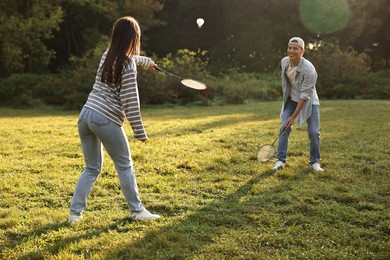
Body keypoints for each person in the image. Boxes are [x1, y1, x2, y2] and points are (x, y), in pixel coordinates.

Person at [68, 16, 160, 223]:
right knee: (125, 165)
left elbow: (130, 58)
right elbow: (131, 102)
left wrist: (147, 62)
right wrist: (139, 131)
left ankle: (74, 214)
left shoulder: (106, 55)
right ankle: (137, 211)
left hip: (86, 115)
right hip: (104, 118)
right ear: (133, 37)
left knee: (91, 168)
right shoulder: (127, 65)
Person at [272, 37, 324, 172]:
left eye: (295, 48)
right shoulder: (284, 62)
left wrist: (293, 117)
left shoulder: (309, 70)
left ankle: (315, 162)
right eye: (290, 47)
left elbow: (305, 96)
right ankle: (280, 160)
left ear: (302, 51)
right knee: (284, 127)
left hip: (309, 102)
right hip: (291, 100)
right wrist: (288, 116)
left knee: (313, 132)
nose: (291, 51)